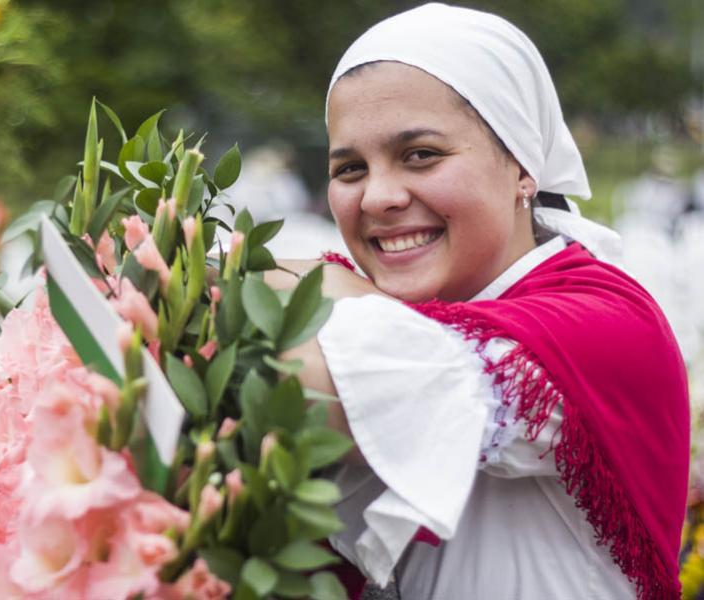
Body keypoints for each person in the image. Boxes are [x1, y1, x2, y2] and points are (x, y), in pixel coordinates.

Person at [267, 4, 689, 599]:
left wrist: (298, 281)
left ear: (521, 164)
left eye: (422, 155)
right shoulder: (376, 311)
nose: (378, 197)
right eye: (351, 168)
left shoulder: (606, 322)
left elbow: (318, 397)